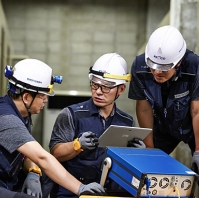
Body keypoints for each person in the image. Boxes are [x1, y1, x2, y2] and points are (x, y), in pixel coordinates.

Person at [0, 59, 105, 198]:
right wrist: (80, 188)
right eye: (42, 96)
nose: (45, 101)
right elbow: (43, 158)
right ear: (26, 96)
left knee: (46, 175)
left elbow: (24, 152)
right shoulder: (7, 120)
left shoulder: (15, 109)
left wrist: (33, 171)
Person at [128, 25, 199, 198]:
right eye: (153, 65)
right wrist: (150, 148)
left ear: (178, 62)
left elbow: (197, 110)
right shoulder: (139, 66)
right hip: (166, 120)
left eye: (164, 67)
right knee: (150, 167)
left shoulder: (195, 66)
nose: (157, 71)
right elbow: (143, 107)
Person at [49, 53, 145, 198]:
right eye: (95, 85)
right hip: (72, 192)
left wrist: (138, 155)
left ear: (121, 90)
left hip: (109, 192)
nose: (98, 92)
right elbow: (55, 154)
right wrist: (77, 145)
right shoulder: (71, 114)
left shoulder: (126, 122)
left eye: (106, 87)